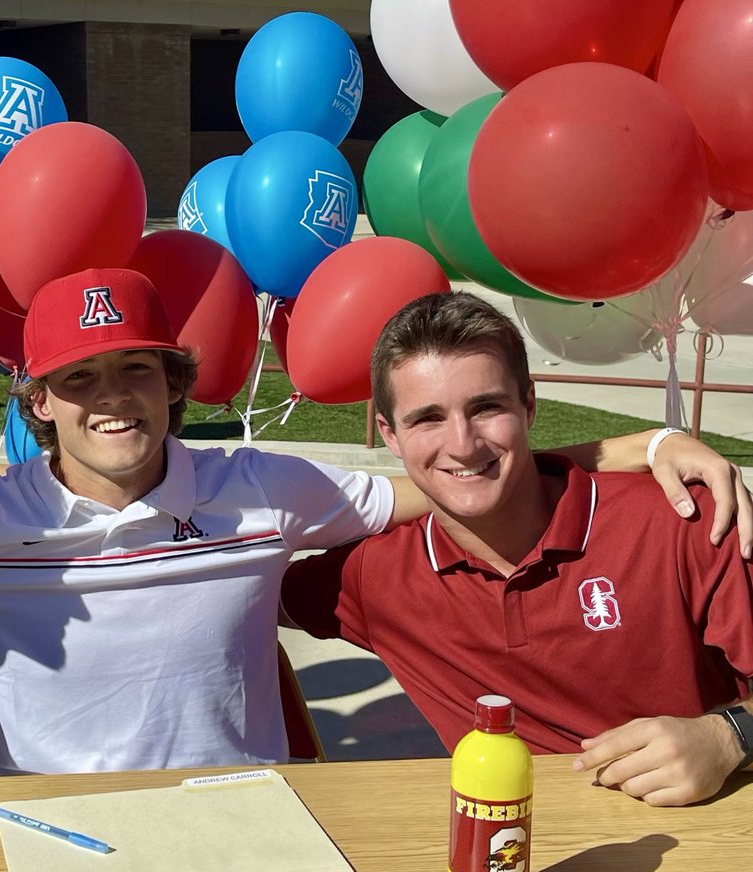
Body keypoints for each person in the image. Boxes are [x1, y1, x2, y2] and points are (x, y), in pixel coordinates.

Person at [0, 270, 746, 780]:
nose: (111, 398)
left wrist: (638, 446)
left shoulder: (271, 488)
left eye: (137, 369)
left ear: (177, 383)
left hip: (252, 827)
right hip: (38, 833)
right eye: (79, 379)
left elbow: (454, 470)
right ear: (39, 402)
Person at [281, 291, 753, 808]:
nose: (462, 444)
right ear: (390, 435)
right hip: (506, 840)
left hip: (704, 833)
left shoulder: (683, 519)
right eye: (428, 418)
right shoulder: (372, 574)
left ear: (528, 405)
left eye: (486, 408)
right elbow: (239, 593)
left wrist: (729, 736)